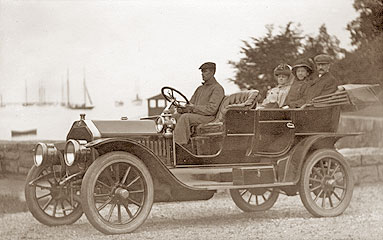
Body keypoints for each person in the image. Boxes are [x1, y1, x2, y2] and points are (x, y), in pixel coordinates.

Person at [173, 62, 225, 146]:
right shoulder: (200, 88)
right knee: (174, 117)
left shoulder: (217, 88)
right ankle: (166, 146)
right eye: (202, 72)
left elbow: (212, 110)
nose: (202, 74)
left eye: (205, 71)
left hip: (209, 118)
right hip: (198, 116)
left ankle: (180, 146)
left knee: (185, 117)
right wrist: (181, 108)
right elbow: (190, 104)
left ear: (212, 72)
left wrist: (193, 108)